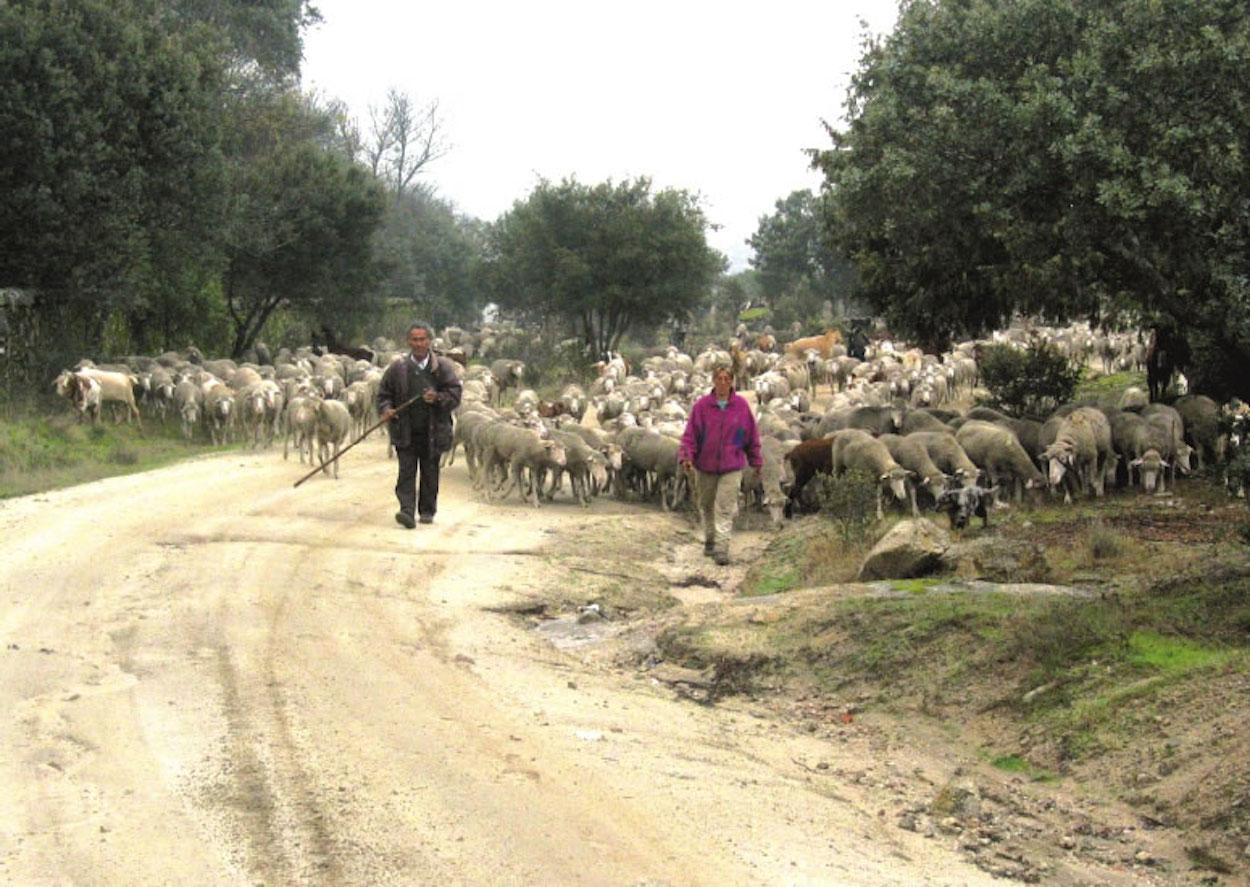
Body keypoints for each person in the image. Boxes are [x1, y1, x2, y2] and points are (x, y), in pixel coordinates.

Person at [378, 322, 463, 527]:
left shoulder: (442, 368)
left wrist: (438, 398)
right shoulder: (397, 369)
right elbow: (383, 394)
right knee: (406, 471)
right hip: (405, 429)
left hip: (433, 431)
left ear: (429, 341)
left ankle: (427, 510)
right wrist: (386, 409)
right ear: (408, 342)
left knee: (430, 472)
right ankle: (406, 510)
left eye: (422, 339)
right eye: (414, 340)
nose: (418, 343)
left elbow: (455, 395)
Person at [678, 364, 762, 565]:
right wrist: (687, 456)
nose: (723, 382)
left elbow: (749, 434)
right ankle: (710, 539)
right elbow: (691, 435)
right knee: (706, 504)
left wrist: (755, 459)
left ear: (732, 381)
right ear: (713, 381)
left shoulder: (741, 407)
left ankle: (722, 548)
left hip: (731, 465)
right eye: (719, 378)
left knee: (724, 507)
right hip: (705, 465)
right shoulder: (702, 407)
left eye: (727, 379)